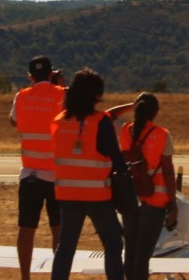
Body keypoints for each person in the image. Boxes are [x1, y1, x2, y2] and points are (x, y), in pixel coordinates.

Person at [50, 68, 126, 280]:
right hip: (97, 196)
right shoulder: (100, 122)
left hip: (67, 194)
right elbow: (116, 159)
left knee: (65, 248)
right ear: (96, 95)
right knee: (113, 244)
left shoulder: (59, 120)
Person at [107, 93, 177, 280]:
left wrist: (132, 105)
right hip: (155, 200)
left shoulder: (125, 130)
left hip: (130, 197)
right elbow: (168, 171)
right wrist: (173, 205)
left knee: (130, 253)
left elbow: (109, 115)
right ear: (155, 113)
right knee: (142, 255)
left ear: (137, 110)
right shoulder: (162, 134)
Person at [10, 56, 66, 280]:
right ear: (51, 73)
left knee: (26, 229)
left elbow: (14, 120)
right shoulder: (62, 94)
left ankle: (25, 277)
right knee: (58, 230)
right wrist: (58, 84)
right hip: (56, 176)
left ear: (30, 76)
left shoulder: (21, 96)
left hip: (30, 173)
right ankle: (59, 276)